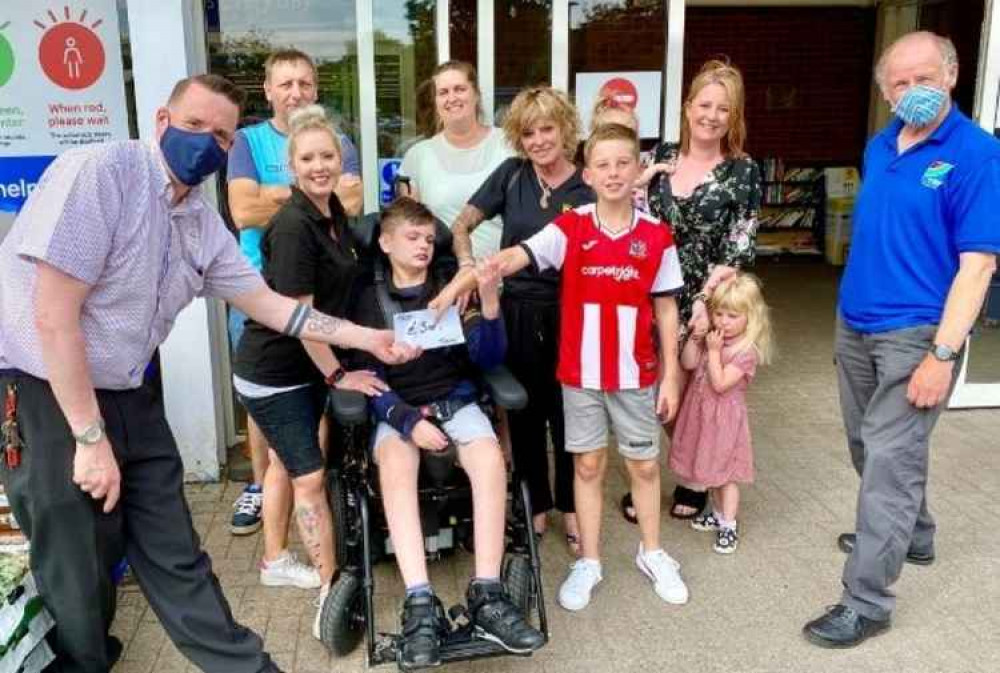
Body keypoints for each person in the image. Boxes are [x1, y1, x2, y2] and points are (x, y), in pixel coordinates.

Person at [0, 74, 412, 673]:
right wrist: (89, 439)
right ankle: (83, 659)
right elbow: (53, 315)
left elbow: (274, 308)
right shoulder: (101, 172)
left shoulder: (197, 221)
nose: (206, 143)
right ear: (163, 121)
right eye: (194, 125)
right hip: (47, 391)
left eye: (220, 136)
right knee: (76, 557)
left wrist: (364, 337)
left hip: (130, 391)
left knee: (174, 551)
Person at [434, 123, 688, 612]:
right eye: (603, 165)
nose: (613, 173)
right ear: (588, 174)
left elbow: (665, 308)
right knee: (587, 465)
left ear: (638, 171)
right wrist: (476, 274)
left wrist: (672, 374)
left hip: (636, 371)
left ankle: (653, 553)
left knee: (643, 465)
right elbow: (518, 255)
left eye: (623, 163)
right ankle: (589, 560)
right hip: (580, 373)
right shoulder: (572, 226)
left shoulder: (657, 236)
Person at [802, 31, 1000, 648]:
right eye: (899, 82)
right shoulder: (881, 144)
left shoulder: (976, 154)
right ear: (885, 90)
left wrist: (942, 355)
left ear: (952, 74)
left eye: (923, 79)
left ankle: (866, 601)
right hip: (855, 324)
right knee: (869, 446)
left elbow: (978, 266)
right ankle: (911, 534)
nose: (911, 91)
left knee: (889, 465)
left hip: (917, 335)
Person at [350, 198, 544, 669]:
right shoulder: (368, 298)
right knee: (396, 465)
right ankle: (420, 603)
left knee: (490, 460)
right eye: (411, 237)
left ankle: (487, 594)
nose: (422, 245)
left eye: (427, 238)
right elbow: (365, 378)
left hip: (455, 399)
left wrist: (491, 303)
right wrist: (407, 421)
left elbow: (488, 359)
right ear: (385, 241)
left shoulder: (453, 287)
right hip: (397, 409)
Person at [232, 105, 381, 639]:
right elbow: (302, 319)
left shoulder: (331, 211)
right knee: (309, 475)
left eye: (327, 156)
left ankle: (274, 562)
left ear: (341, 161)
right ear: (291, 166)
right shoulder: (294, 225)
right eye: (307, 158)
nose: (319, 166)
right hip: (276, 371)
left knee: (284, 464)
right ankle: (329, 589)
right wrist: (339, 376)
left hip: (303, 364)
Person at [226, 49, 364, 538]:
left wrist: (279, 191)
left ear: (316, 88)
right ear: (268, 90)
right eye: (285, 84)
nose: (295, 92)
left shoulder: (339, 139)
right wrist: (304, 196)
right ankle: (262, 488)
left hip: (317, 298)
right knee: (267, 403)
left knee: (312, 402)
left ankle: (307, 484)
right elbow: (242, 211)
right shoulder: (247, 140)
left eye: (304, 83)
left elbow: (350, 201)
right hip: (257, 291)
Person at [450, 86, 594, 554]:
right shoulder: (512, 176)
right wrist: (467, 264)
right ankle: (534, 502)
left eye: (547, 128)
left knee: (569, 413)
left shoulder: (588, 184)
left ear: (566, 129)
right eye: (528, 132)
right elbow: (460, 225)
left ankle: (572, 508)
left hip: (572, 312)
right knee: (526, 411)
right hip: (518, 311)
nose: (538, 140)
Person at [620, 59, 762, 524]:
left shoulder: (743, 172)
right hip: (648, 294)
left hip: (705, 298)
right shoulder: (660, 155)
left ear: (733, 116)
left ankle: (692, 476)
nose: (712, 115)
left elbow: (739, 245)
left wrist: (704, 302)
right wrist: (639, 182)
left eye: (724, 109)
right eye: (705, 104)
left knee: (691, 394)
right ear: (688, 107)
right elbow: (631, 219)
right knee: (649, 393)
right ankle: (651, 474)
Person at [669, 273, 773, 554]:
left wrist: (714, 352)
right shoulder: (713, 338)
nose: (724, 322)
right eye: (719, 314)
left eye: (733, 316)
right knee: (708, 470)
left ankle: (729, 523)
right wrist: (696, 338)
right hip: (701, 415)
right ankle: (716, 513)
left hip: (724, 421)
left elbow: (721, 383)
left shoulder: (745, 351)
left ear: (750, 318)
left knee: (725, 475)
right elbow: (688, 363)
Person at [398, 60, 512, 258]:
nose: (452, 98)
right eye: (443, 92)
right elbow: (409, 224)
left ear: (476, 94)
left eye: (459, 89)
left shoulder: (510, 145)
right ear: (435, 101)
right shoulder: (417, 156)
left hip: (507, 275)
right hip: (445, 276)